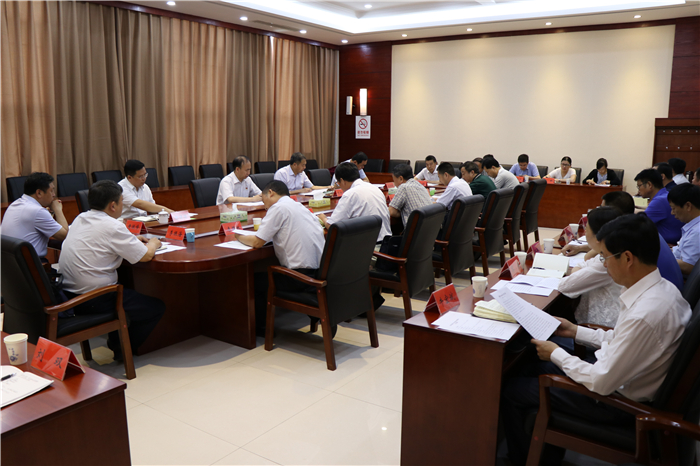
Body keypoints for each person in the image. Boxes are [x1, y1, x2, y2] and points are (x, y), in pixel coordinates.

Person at [501, 213, 691, 466]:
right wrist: (575, 331)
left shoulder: (646, 314)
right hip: (622, 378)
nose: (603, 264)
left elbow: (600, 381)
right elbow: (621, 338)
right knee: (529, 367)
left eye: (605, 257)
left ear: (627, 258)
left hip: (617, 403)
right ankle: (545, 454)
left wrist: (556, 353)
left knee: (513, 390)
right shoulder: (662, 291)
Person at [58, 180, 165, 359]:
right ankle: (122, 348)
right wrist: (153, 243)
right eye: (122, 201)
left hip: (68, 295)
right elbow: (146, 256)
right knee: (155, 307)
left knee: (127, 289)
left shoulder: (80, 218)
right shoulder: (113, 226)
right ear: (113, 205)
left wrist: (132, 240)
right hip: (94, 298)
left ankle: (118, 341)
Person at [235, 180, 325, 335]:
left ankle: (262, 330)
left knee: (254, 281)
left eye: (263, 199)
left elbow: (257, 242)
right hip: (318, 273)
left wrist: (237, 236)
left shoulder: (278, 208)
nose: (264, 205)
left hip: (300, 278)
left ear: (270, 193)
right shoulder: (298, 206)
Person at [562, 190, 684, 291]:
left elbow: (585, 263)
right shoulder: (638, 228)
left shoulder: (622, 246)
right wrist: (581, 248)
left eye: (603, 209)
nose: (600, 212)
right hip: (666, 289)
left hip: (657, 294)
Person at [558, 207, 624, 327]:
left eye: (587, 228)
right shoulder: (610, 252)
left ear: (598, 236)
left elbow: (565, 286)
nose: (585, 232)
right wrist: (580, 273)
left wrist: (578, 273)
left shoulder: (607, 262)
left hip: (602, 328)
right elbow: (583, 263)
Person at [1, 172, 69, 259]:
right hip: (31, 264)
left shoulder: (15, 204)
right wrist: (58, 210)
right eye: (51, 191)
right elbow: (64, 235)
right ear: (39, 193)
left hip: (10, 263)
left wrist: (49, 213)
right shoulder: (37, 211)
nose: (54, 194)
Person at [319, 163, 391, 242]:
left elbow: (333, 227)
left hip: (369, 246)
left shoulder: (350, 194)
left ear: (342, 181)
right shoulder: (375, 188)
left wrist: (323, 218)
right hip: (386, 242)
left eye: (338, 183)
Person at [635, 168, 684, 244]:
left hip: (667, 243)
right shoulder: (665, 194)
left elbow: (638, 223)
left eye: (639, 186)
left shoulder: (659, 200)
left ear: (649, 185)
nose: (638, 190)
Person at [668, 184, 700, 275]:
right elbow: (681, 250)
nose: (672, 213)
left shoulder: (697, 232)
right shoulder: (693, 226)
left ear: (688, 206)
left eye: (673, 208)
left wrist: (660, 259)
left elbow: (688, 266)